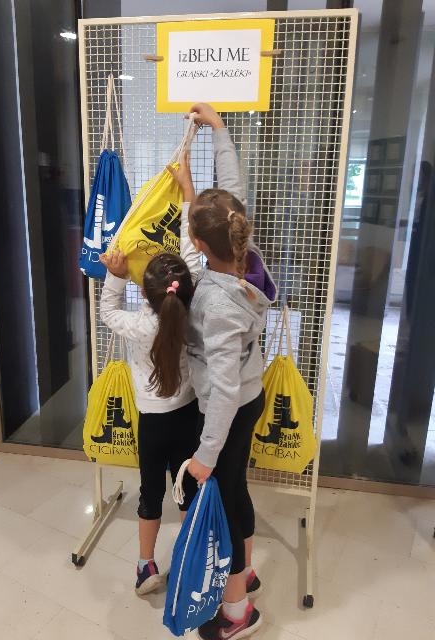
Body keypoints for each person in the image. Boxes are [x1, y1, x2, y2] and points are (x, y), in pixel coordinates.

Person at [174, 104, 277, 640]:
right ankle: (247, 573)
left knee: (226, 503)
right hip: (249, 396)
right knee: (236, 489)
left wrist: (205, 455)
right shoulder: (245, 255)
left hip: (229, 409)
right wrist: (218, 130)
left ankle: (237, 614)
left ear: (198, 245)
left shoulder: (215, 304)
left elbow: (222, 388)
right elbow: (232, 193)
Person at [99, 152, 201, 596]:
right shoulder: (197, 313)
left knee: (150, 493)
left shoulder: (140, 325)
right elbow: (192, 256)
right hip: (190, 414)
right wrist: (188, 190)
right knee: (190, 491)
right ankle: (192, 562)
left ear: (145, 290)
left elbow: (107, 311)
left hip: (152, 422)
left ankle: (146, 566)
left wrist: (117, 275)